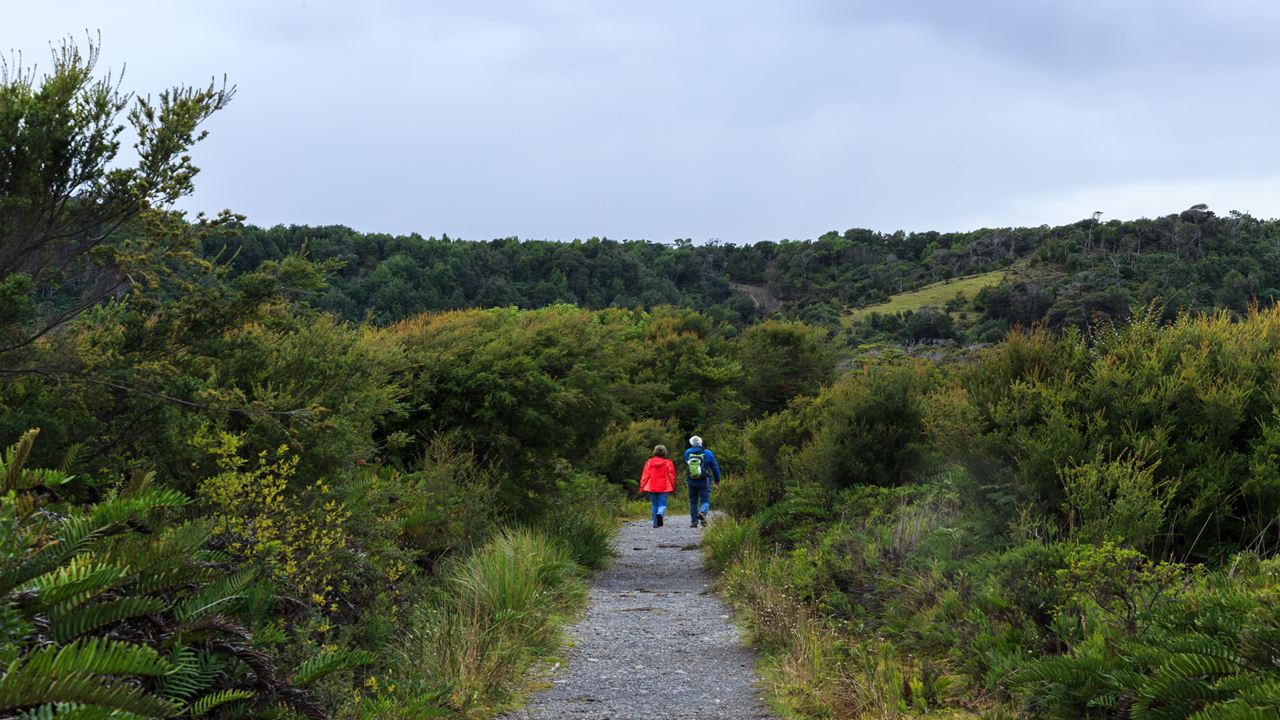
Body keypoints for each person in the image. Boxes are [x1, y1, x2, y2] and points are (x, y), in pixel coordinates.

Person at [683, 435, 721, 528]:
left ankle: (694, 522)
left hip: (691, 480)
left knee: (693, 501)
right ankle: (703, 512)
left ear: (691, 443)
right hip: (704, 480)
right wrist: (717, 480)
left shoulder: (687, 452)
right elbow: (714, 467)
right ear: (701, 442)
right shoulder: (708, 453)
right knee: (705, 500)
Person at [639, 444, 676, 528]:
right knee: (662, 505)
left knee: (654, 504)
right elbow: (672, 476)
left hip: (652, 487)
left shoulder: (649, 462)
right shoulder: (668, 463)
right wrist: (673, 486)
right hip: (664, 487)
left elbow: (645, 475)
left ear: (654, 452)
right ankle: (660, 514)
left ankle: (655, 523)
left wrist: (642, 486)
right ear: (665, 452)